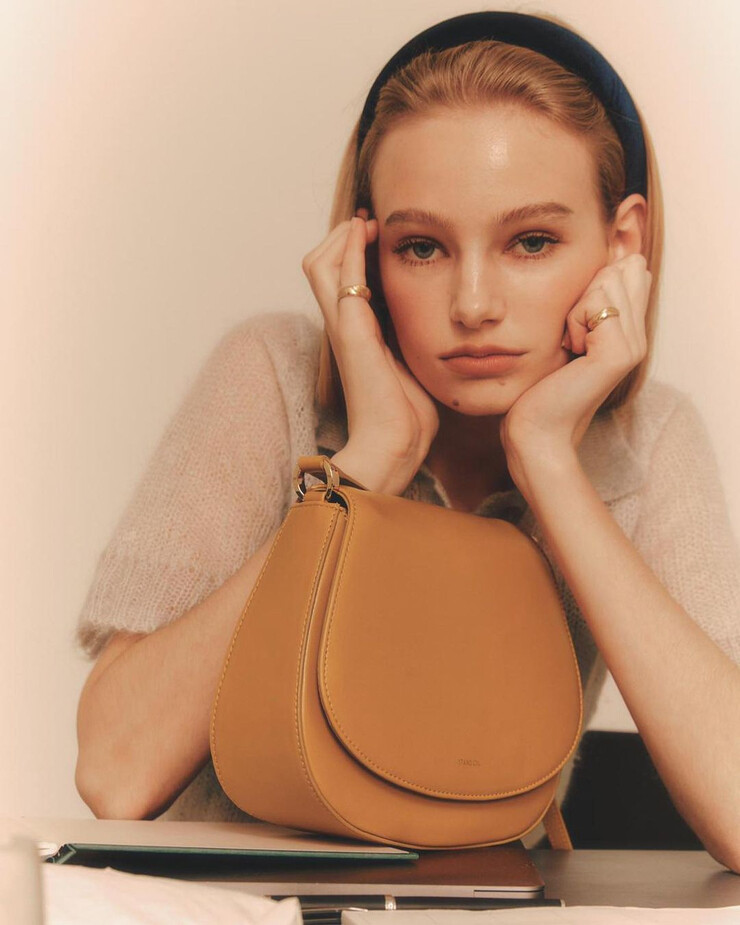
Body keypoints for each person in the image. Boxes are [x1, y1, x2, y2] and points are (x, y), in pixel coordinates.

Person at [73, 11, 740, 870]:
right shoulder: (274, 374)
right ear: (364, 252)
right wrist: (368, 465)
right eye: (422, 247)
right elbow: (115, 771)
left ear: (623, 244)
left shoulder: (651, 441)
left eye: (531, 242)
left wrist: (548, 460)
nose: (473, 304)